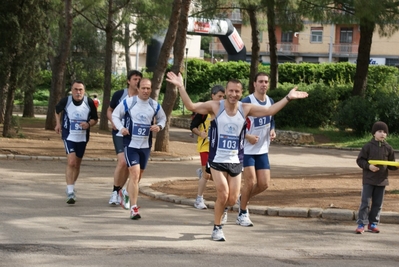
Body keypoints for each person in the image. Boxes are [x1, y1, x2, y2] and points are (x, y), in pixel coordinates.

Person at [166, 71, 308, 241]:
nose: (234, 94)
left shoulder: (245, 108)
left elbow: (270, 110)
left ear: (241, 94)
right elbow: (191, 106)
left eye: (237, 92)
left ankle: (223, 210)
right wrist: (181, 86)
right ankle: (217, 228)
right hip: (217, 159)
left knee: (232, 199)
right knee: (223, 194)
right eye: (231, 91)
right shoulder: (216, 106)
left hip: (235, 160)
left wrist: (288, 97)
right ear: (226, 92)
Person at [112, 78, 167, 220]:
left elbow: (163, 118)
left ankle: (125, 192)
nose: (146, 91)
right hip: (130, 144)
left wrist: (159, 126)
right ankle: (134, 208)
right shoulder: (129, 102)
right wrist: (121, 128)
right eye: (143, 88)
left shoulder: (154, 105)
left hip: (145, 145)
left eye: (148, 88)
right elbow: (115, 115)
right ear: (138, 88)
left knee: (138, 176)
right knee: (135, 175)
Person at [236, 72, 275, 227]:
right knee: (250, 182)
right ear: (254, 84)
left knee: (264, 184)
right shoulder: (247, 101)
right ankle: (242, 213)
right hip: (247, 149)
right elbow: (235, 124)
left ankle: (242, 199)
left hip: (263, 149)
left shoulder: (270, 101)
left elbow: (272, 119)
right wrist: (247, 136)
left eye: (266, 81)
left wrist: (272, 130)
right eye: (260, 81)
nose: (263, 84)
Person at [55, 80, 98, 204]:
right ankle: (70, 191)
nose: (78, 92)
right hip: (69, 136)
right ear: (71, 90)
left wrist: (88, 124)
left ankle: (71, 186)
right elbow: (57, 110)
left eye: (80, 90)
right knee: (71, 161)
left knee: (77, 164)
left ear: (84, 91)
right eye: (75, 89)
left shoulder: (89, 102)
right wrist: (58, 124)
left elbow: (95, 119)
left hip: (82, 137)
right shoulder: (66, 101)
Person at [107, 70, 143, 207]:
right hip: (120, 133)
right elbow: (109, 110)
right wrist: (114, 122)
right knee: (122, 162)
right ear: (129, 81)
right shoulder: (119, 95)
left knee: (130, 166)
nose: (137, 81)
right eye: (135, 79)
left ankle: (122, 191)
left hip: (135, 136)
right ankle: (115, 192)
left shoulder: (142, 97)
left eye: (139, 79)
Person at [355, 121, 397, 234]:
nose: (382, 134)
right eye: (379, 131)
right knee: (365, 203)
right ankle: (361, 224)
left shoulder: (388, 148)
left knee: (378, 204)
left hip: (382, 180)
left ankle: (373, 224)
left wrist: (396, 166)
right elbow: (360, 160)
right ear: (374, 133)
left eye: (384, 132)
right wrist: (369, 166)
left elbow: (391, 164)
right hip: (369, 179)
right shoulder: (368, 146)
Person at [191, 85, 225, 210]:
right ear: (212, 96)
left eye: (223, 97)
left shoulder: (224, 110)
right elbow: (193, 126)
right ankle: (199, 199)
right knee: (207, 175)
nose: (221, 99)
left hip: (218, 148)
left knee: (218, 175)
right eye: (219, 96)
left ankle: (202, 173)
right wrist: (201, 133)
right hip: (205, 147)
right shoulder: (204, 111)